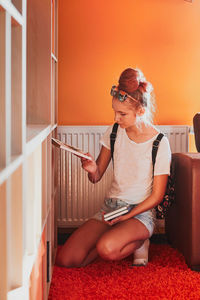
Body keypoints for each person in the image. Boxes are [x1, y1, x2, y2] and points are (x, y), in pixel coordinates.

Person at [56, 67, 171, 268]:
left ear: (140, 112)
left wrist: (127, 216)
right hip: (110, 209)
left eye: (122, 114)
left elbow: (157, 196)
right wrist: (92, 170)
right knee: (67, 259)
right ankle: (113, 235)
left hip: (139, 213)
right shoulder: (114, 131)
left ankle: (140, 242)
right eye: (114, 112)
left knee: (107, 249)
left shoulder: (160, 142)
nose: (116, 118)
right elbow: (96, 176)